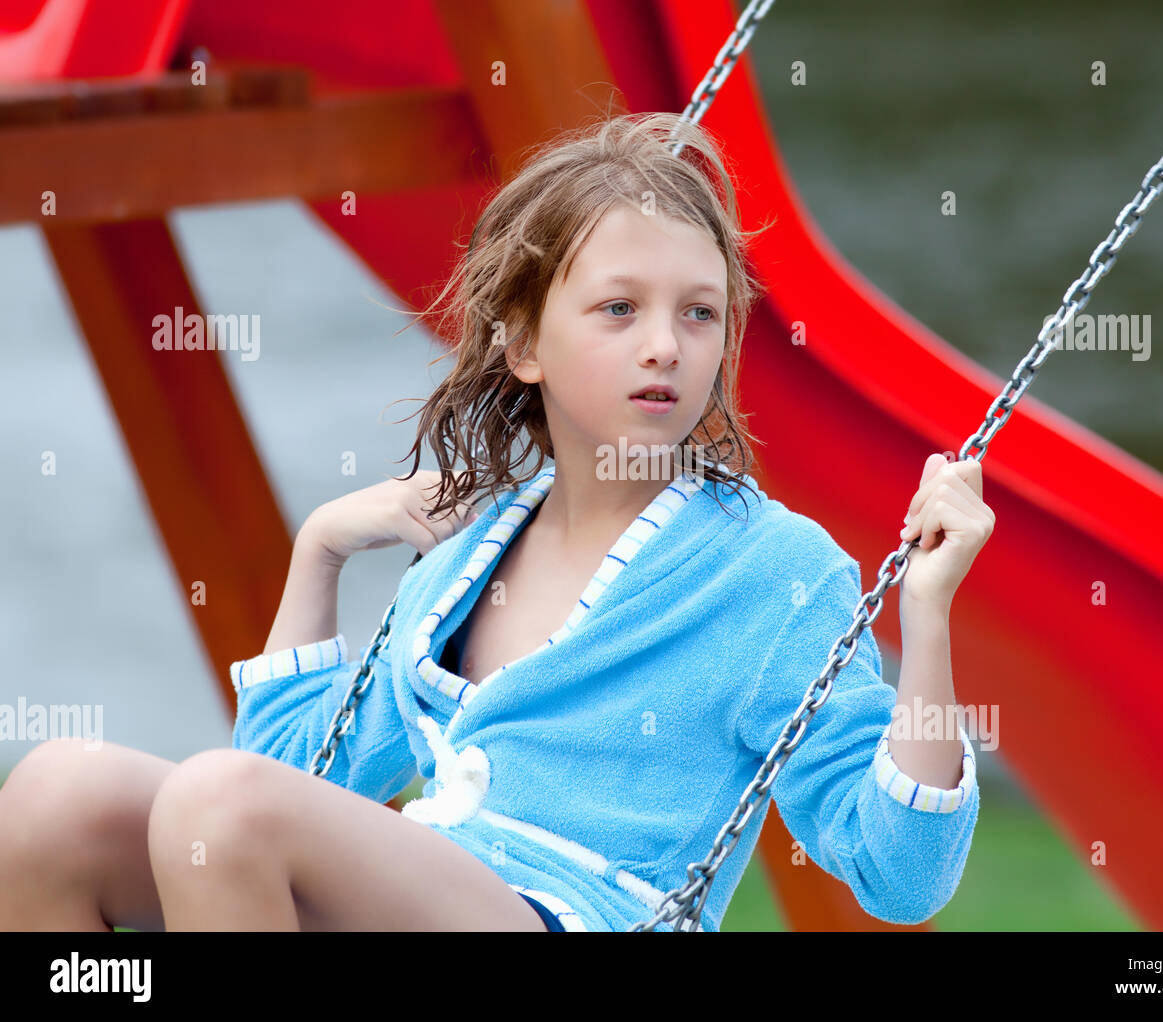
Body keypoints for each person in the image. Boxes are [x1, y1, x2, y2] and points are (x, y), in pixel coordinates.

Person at [0, 111, 994, 932]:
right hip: (436, 886)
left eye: (699, 312)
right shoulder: (469, 559)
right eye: (619, 309)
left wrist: (932, 612)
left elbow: (897, 874)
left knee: (222, 803)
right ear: (523, 342)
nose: (664, 345)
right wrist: (319, 551)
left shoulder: (774, 571)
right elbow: (293, 787)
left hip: (586, 912)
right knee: (58, 796)